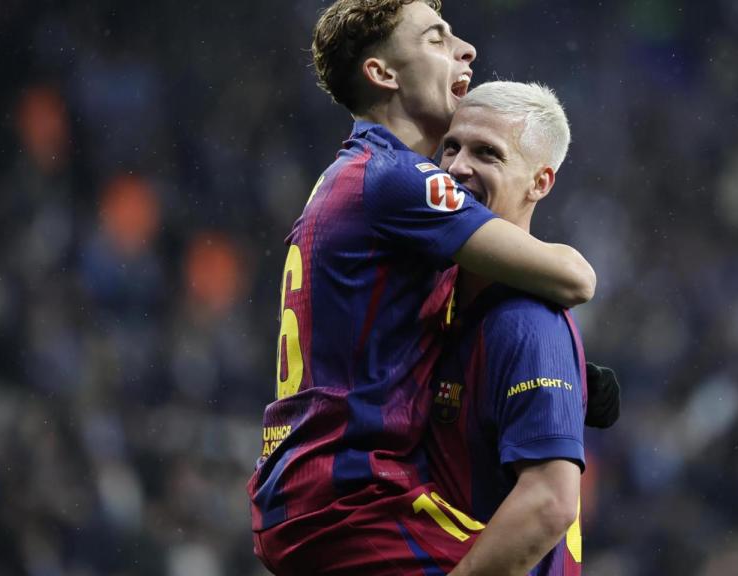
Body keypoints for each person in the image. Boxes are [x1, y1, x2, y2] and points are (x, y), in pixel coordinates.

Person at [247, 1, 598, 574]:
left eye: (485, 153)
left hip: (310, 494)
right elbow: (575, 278)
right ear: (384, 74)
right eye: (437, 38)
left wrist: (571, 378)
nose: (466, 50)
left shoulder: (352, 177)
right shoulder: (397, 178)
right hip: (352, 500)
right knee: (529, 558)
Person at [425, 81, 594, 576]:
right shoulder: (447, 297)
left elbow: (550, 502)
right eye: (451, 146)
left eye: (487, 154)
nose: (457, 166)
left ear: (540, 183)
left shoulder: (526, 323)